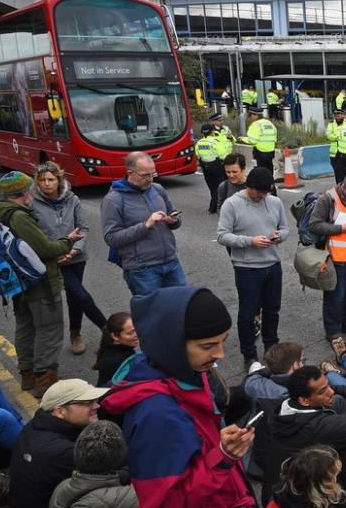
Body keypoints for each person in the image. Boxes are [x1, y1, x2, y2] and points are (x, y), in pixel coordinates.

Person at [105, 287, 262, 508]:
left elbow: (186, 457)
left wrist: (217, 445)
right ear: (172, 342)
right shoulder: (159, 413)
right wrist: (222, 459)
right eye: (208, 346)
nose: (219, 355)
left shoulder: (174, 375)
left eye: (222, 342)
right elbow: (167, 504)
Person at [0, 171, 81, 395]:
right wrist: (68, 241)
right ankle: (44, 380)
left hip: (17, 282)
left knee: (25, 328)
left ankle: (27, 375)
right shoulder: (18, 216)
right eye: (31, 188)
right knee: (49, 330)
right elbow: (45, 249)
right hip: (40, 283)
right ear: (25, 191)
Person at [252, 363, 346, 504]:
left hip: (289, 481)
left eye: (327, 385)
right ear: (304, 400)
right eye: (322, 391)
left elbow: (335, 390)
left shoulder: (289, 403)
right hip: (303, 498)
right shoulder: (316, 427)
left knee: (337, 400)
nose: (330, 391)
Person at [9, 379, 107, 508]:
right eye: (87, 403)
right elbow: (107, 483)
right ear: (60, 411)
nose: (96, 405)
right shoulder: (63, 453)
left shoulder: (35, 427)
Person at [30, 161, 106, 357]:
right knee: (81, 295)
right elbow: (34, 234)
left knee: (75, 298)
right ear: (37, 183)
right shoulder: (32, 204)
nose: (46, 184)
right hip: (53, 259)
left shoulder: (72, 199)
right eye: (42, 180)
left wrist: (75, 250)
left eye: (51, 179)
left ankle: (75, 334)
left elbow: (83, 228)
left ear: (59, 180)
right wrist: (55, 252)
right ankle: (109, 331)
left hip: (75, 257)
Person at [216, 167, 287, 367]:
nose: (263, 196)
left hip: (273, 265)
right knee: (247, 314)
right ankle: (250, 356)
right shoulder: (232, 204)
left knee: (273, 310)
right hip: (246, 268)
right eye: (259, 192)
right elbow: (222, 235)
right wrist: (250, 241)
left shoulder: (274, 202)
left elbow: (285, 229)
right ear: (250, 187)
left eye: (266, 192)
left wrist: (279, 236)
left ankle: (272, 350)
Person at [101, 152, 186, 297]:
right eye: (145, 175)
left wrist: (174, 221)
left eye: (153, 174)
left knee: (181, 309)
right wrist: (146, 225)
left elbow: (174, 219)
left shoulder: (157, 189)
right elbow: (111, 238)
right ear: (130, 173)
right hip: (142, 270)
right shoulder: (113, 200)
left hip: (171, 262)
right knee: (152, 315)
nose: (150, 179)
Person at [308, 173, 346, 340]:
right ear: (343, 188)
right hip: (335, 256)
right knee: (335, 296)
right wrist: (343, 228)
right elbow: (314, 225)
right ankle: (333, 331)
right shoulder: (327, 199)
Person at [94, 311, 138, 387]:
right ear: (114, 336)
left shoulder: (110, 348)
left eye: (136, 329)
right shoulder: (116, 361)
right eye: (130, 333)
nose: (137, 335)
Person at [195, 123, 226, 214]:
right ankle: (218, 207)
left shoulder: (199, 143)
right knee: (220, 187)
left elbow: (198, 155)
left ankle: (212, 208)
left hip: (205, 168)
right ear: (212, 131)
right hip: (216, 167)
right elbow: (224, 155)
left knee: (212, 188)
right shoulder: (215, 142)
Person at [242, 103, 278, 174]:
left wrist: (243, 139)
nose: (250, 117)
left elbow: (252, 141)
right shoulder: (269, 123)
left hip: (260, 152)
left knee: (261, 172)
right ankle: (271, 184)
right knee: (269, 170)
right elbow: (275, 137)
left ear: (255, 115)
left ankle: (263, 184)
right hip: (271, 152)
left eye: (251, 115)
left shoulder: (255, 125)